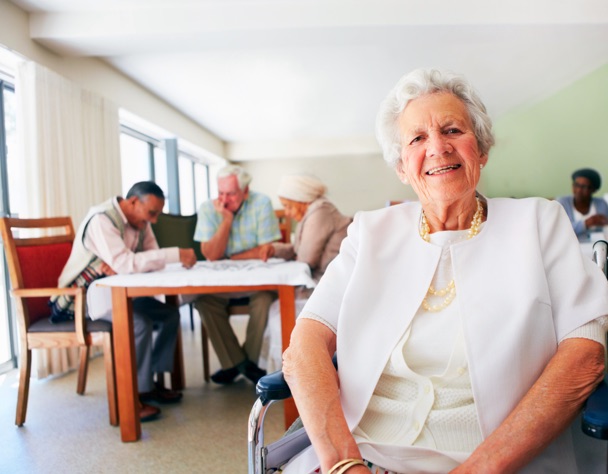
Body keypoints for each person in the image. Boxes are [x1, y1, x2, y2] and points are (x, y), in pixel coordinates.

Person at [280, 68, 608, 473]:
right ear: (402, 167)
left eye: (452, 130)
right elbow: (305, 345)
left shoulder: (539, 222)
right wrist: (344, 463)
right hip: (361, 450)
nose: (437, 147)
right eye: (417, 138)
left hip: (497, 459)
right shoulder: (369, 232)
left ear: (482, 149)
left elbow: (586, 353)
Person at [50, 181, 197, 422]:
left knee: (170, 315)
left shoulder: (141, 221)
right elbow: (129, 264)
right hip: (86, 301)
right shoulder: (102, 220)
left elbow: (147, 259)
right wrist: (169, 256)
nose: (155, 220)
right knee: (139, 324)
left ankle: (151, 382)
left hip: (120, 294)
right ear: (132, 203)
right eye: (152, 213)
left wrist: (130, 264)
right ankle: (134, 397)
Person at [193, 164, 282, 385]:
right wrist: (226, 220)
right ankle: (244, 365)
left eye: (231, 194)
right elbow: (212, 255)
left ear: (245, 191)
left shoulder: (261, 203)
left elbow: (263, 250)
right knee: (204, 302)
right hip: (220, 285)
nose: (224, 200)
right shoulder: (208, 208)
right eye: (220, 193)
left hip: (256, 283)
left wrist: (230, 257)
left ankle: (235, 364)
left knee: (264, 299)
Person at [259, 174, 352, 372]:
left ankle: (292, 370)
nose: (288, 212)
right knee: (275, 307)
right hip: (319, 279)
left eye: (289, 206)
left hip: (327, 286)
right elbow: (297, 249)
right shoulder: (311, 212)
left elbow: (306, 259)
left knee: (278, 311)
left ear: (302, 199)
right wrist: (274, 249)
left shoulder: (320, 213)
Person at [557, 168, 608, 241]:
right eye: (576, 185)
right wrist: (586, 223)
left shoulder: (601, 203)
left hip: (596, 246)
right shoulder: (563, 203)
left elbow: (604, 229)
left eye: (584, 187)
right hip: (571, 246)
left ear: (593, 189)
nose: (579, 190)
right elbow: (560, 230)